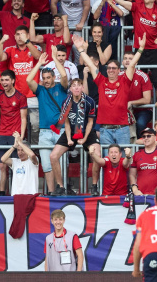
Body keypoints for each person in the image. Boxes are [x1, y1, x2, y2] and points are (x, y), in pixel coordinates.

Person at [79, 34, 143, 146]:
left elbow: (132, 65)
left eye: (114, 68)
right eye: (109, 68)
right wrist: (80, 50)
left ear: (119, 70)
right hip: (105, 130)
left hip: (122, 129)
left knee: (123, 160)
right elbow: (90, 64)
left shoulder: (125, 81)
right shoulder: (101, 80)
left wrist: (140, 49)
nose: (111, 70)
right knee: (107, 160)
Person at [28, 49, 70, 195]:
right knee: (46, 165)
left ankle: (62, 189)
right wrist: (39, 63)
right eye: (43, 78)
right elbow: (28, 80)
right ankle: (52, 192)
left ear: (53, 77)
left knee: (60, 163)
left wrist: (54, 59)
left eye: (48, 77)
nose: (45, 80)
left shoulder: (61, 87)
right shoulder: (40, 90)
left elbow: (64, 75)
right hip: (44, 132)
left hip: (61, 131)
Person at [53, 78, 102, 194]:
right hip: (71, 131)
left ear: (82, 88)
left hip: (86, 131)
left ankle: (94, 186)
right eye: (73, 85)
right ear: (70, 89)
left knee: (97, 154)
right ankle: (60, 186)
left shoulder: (90, 102)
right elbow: (66, 122)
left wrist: (84, 139)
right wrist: (69, 138)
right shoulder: (66, 102)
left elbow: (90, 122)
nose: (76, 87)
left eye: (79, 85)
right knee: (53, 156)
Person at [130, 127, 157, 196]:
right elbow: (132, 175)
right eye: (144, 136)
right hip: (141, 196)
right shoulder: (137, 154)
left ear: (155, 138)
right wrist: (135, 189)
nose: (146, 138)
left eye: (149, 136)